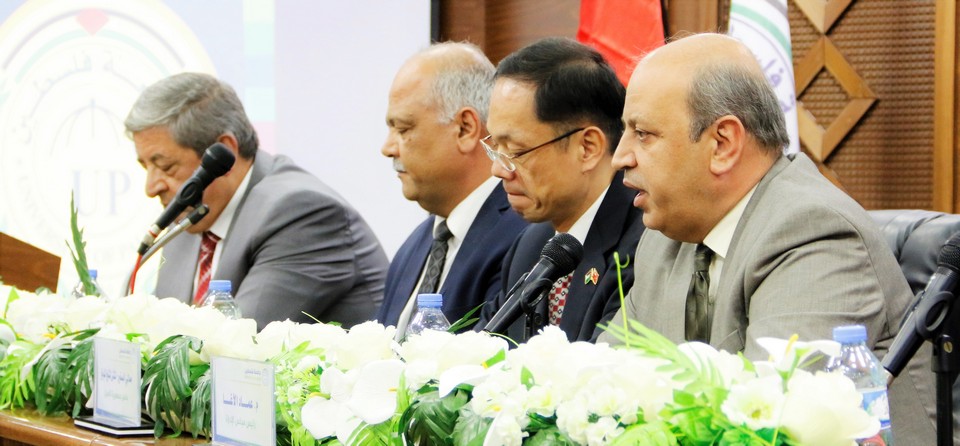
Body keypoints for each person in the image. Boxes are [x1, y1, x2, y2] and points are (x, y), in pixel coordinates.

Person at [598, 33, 936, 443]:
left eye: (643, 133)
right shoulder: (664, 239)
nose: (620, 157)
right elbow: (602, 388)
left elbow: (768, 428)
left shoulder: (812, 233)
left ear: (723, 144)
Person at [125, 72, 389, 329]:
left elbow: (235, 345)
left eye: (166, 166)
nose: (151, 187)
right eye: (146, 167)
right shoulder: (190, 215)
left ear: (224, 153)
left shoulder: (299, 212)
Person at [475, 37, 645, 343]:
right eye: (495, 148)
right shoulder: (529, 247)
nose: (498, 170)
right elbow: (485, 351)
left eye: (516, 151)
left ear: (587, 147)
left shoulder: (643, 244)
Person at [378, 42, 528, 335]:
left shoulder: (521, 237)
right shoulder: (415, 245)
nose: (387, 148)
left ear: (465, 128)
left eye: (403, 129)